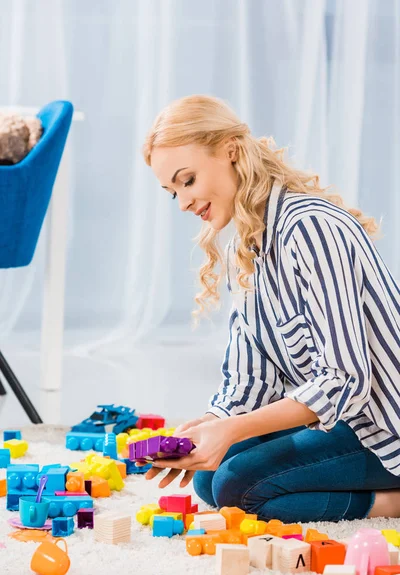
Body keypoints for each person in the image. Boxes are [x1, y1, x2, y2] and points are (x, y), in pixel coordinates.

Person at [140, 94, 400, 523]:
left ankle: (390, 502)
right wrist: (210, 425)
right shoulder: (250, 243)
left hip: (381, 426)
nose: (183, 203)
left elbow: (344, 378)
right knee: (210, 477)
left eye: (187, 180)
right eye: (172, 193)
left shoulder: (309, 228)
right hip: (340, 419)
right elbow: (250, 376)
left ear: (231, 151)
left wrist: (230, 432)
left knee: (235, 486)